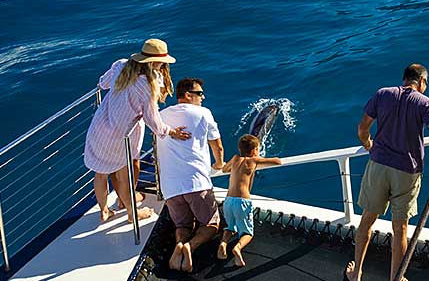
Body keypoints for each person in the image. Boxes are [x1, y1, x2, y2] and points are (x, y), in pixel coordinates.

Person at [345, 63, 429, 281]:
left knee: (367, 219)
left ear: (405, 78)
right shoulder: (426, 103)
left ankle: (356, 273)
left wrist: (369, 145)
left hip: (378, 165)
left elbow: (362, 128)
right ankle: (396, 277)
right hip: (407, 171)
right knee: (400, 228)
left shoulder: (383, 94)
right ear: (422, 82)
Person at [84, 39, 191, 224]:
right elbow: (153, 120)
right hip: (121, 136)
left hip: (100, 128)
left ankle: (104, 211)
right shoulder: (147, 85)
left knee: (100, 174)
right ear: (154, 62)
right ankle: (132, 214)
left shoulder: (121, 65)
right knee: (124, 176)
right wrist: (171, 132)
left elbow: (103, 83)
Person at [156, 77, 225, 272]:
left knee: (183, 225)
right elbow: (217, 145)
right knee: (212, 224)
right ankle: (189, 247)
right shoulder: (203, 113)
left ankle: (179, 245)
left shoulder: (161, 115)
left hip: (170, 188)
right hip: (196, 183)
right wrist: (219, 164)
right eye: (200, 94)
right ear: (187, 95)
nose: (203, 97)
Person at [217, 134, 282, 267]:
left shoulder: (235, 158)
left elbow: (224, 169)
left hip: (228, 200)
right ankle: (238, 248)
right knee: (248, 232)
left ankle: (223, 243)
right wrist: (259, 158)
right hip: (242, 201)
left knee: (230, 226)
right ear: (254, 151)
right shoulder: (254, 161)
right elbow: (278, 161)